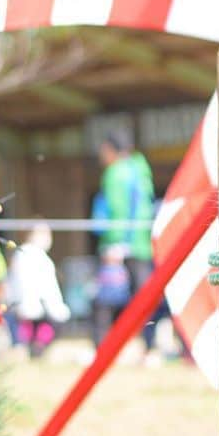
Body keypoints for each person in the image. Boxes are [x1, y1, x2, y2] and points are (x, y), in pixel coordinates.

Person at [95, 130, 160, 362]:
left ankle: (106, 348)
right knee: (145, 297)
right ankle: (148, 345)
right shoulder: (141, 170)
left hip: (120, 243)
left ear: (112, 150)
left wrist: (117, 242)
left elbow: (117, 209)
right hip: (142, 243)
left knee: (106, 297)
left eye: (103, 151)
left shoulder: (115, 173)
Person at [6, 222, 70, 357]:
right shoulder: (26, 254)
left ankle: (35, 348)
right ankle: (30, 347)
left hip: (39, 303)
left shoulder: (35, 255)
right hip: (32, 303)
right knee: (37, 326)